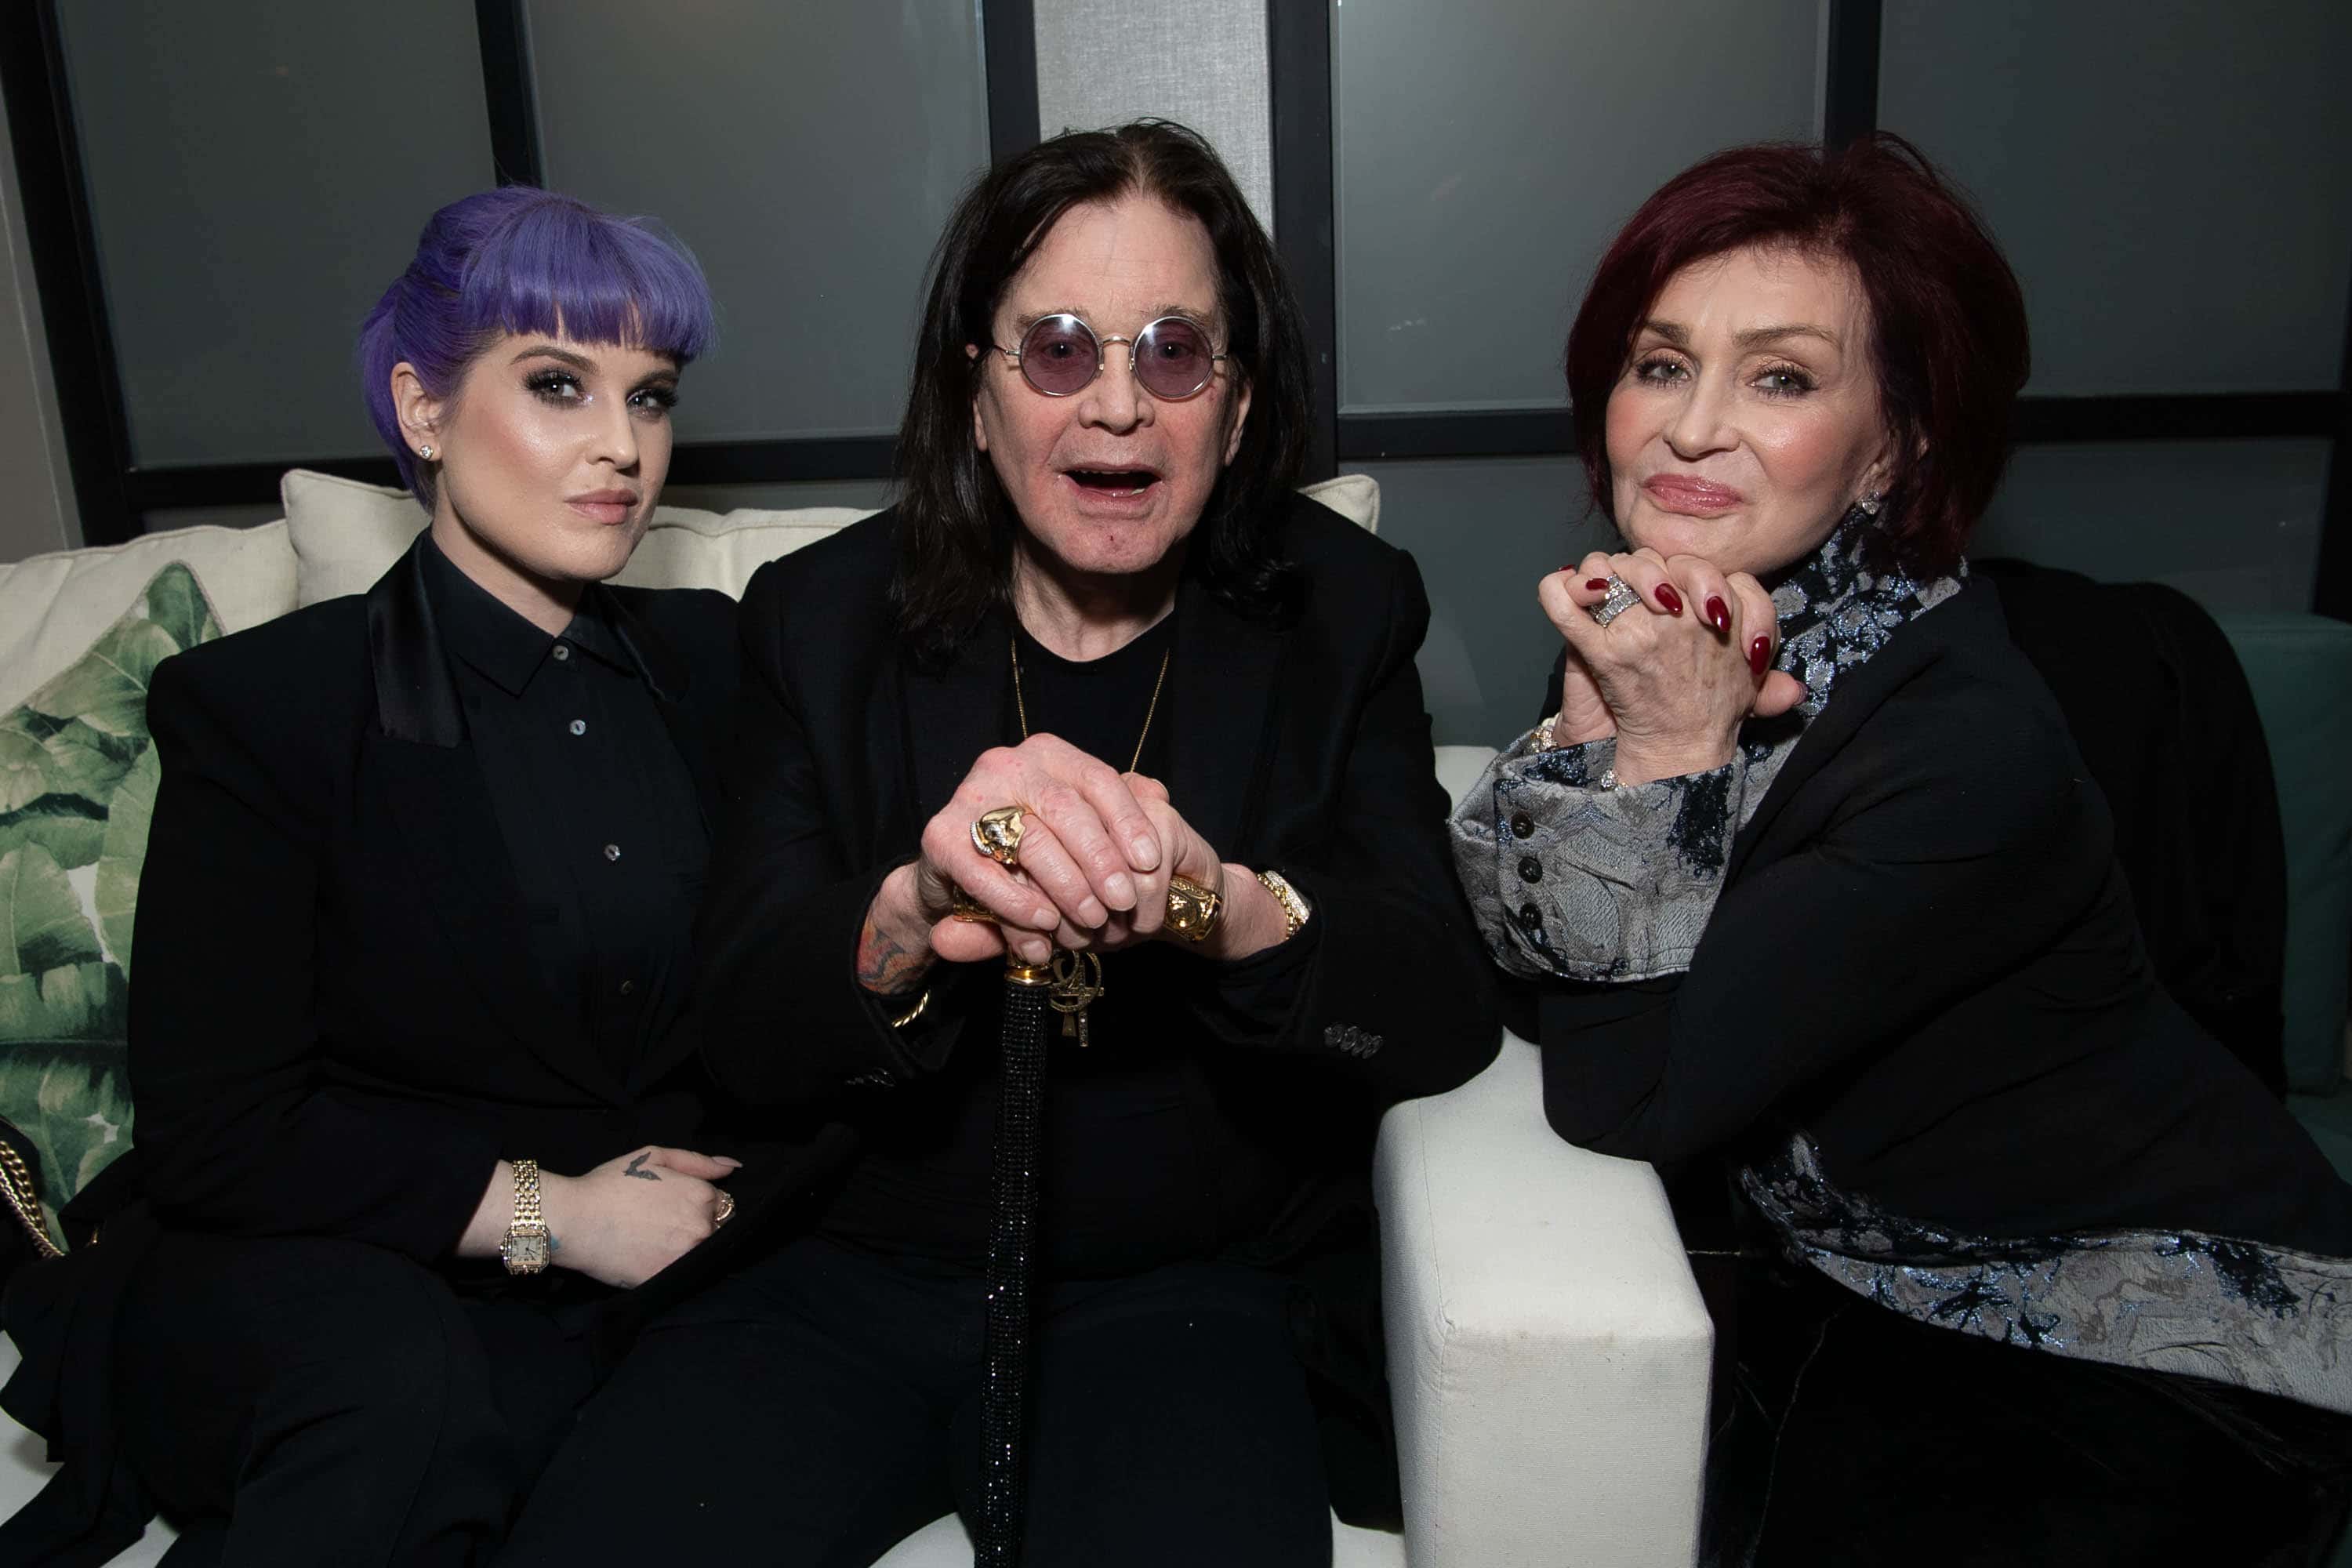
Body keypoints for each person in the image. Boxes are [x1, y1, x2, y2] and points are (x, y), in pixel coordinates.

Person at [505, 121, 1497, 1567]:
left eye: (1174, 352)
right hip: (834, 1274)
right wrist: (915, 909)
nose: (1118, 406)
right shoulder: (818, 619)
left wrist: (1219, 907)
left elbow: (1437, 1006)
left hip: (1184, 1294)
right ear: (975, 398)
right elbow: (746, 1022)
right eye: (1057, 350)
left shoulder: (1345, 609)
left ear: (1234, 409)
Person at [1450, 135, 2352, 1563]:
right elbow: (1524, 978)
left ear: (1895, 449)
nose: (1692, 428)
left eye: (1782, 379)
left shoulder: (1964, 744)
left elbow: (1625, 1095)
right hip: (1868, 1282)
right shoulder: (1687, 631)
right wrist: (1600, 740)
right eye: (1662, 364)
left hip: (2152, 1328)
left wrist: (1663, 757)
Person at [0, 187, 755, 1568]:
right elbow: (220, 1133)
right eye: (558, 385)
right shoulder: (268, 705)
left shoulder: (711, 661)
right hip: (318, 1262)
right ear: (423, 409)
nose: (622, 445)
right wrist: (561, 1214)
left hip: (609, 1286)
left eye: (649, 396)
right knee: (407, 1396)